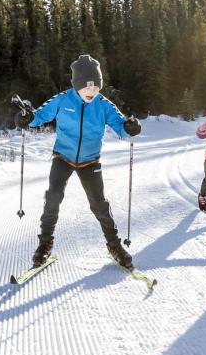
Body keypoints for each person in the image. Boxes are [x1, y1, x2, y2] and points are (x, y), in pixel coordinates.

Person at [15, 54, 141, 269]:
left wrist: (130, 127)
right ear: (77, 86)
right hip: (63, 157)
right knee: (53, 197)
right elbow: (40, 116)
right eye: (86, 88)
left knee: (99, 204)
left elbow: (120, 125)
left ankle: (114, 245)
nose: (91, 92)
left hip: (90, 160)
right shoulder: (62, 99)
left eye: (96, 88)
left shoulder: (103, 104)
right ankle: (45, 243)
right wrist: (27, 118)